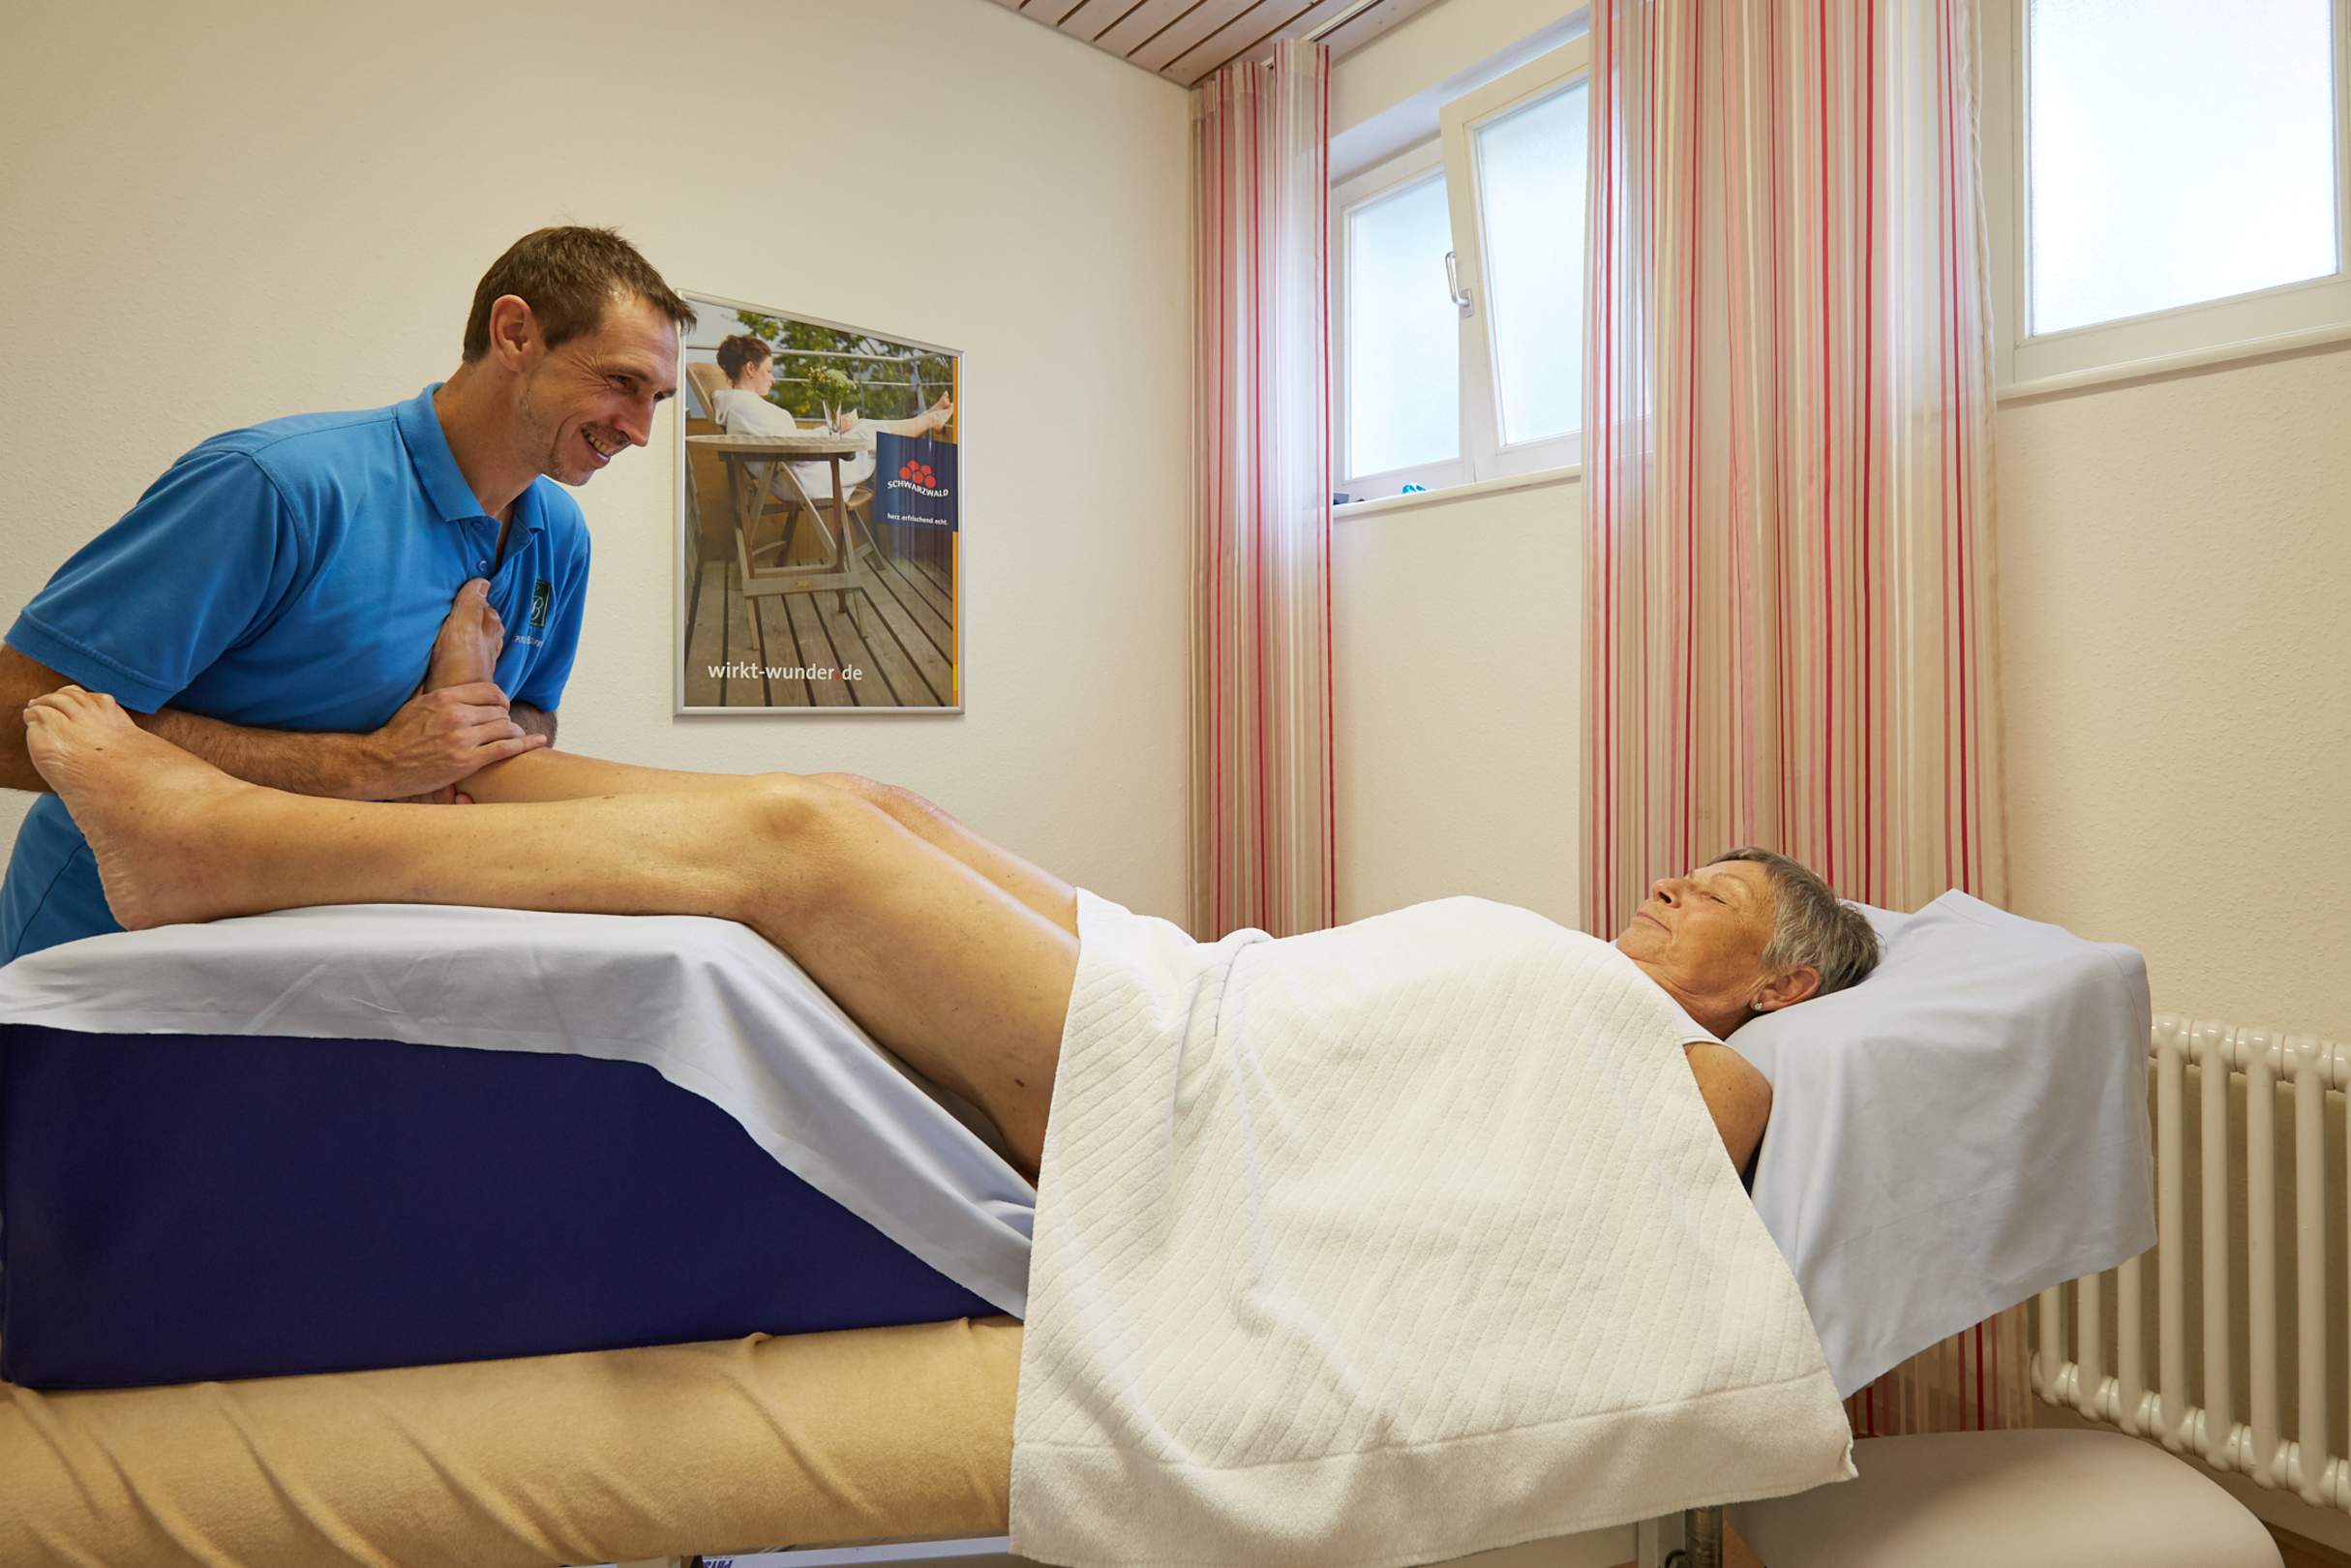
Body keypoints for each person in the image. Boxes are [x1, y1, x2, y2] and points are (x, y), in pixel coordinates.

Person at [17, 671, 1880, 1187]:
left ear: (1779, 978)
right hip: (1196, 976)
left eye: (1708, 898)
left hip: (1183, 1079)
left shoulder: (1710, 1068)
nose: (1662, 888)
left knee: (798, 848)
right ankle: (473, 772)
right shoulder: (1601, 988)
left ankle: (221, 850)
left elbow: (1652, 1157)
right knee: (867, 801)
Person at [0, 226, 697, 960]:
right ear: (515, 333)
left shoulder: (560, 535)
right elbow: (13, 717)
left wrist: (467, 718)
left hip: (336, 961)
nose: (641, 431)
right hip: (107, 962)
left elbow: (533, 715)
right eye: (621, 382)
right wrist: (370, 766)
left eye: (656, 398)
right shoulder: (279, 487)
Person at [708, 331, 953, 498]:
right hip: (800, 479)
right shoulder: (744, 407)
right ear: (751, 368)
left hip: (793, 471)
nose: (773, 378)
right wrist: (828, 431)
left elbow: (783, 440)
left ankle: (927, 417)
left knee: (863, 426)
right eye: (769, 371)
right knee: (869, 431)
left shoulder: (744, 404)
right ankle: (930, 420)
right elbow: (784, 444)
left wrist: (833, 429)